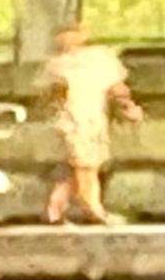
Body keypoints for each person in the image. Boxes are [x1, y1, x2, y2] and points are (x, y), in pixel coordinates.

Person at [39, 24, 141, 226]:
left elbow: (117, 88)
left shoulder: (99, 58)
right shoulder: (56, 65)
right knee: (80, 167)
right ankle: (90, 208)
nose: (66, 39)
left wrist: (128, 107)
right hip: (68, 120)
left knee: (83, 166)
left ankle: (58, 210)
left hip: (91, 118)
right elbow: (48, 96)